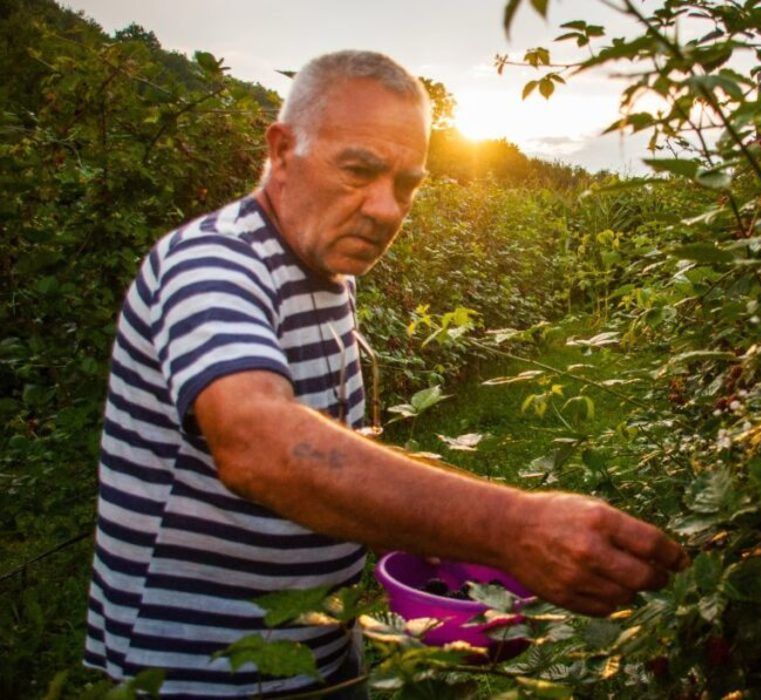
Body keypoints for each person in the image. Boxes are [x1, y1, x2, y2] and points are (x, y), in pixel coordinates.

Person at [84, 50, 688, 698]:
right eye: (359, 171)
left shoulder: (327, 273)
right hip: (189, 676)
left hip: (314, 659)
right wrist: (513, 528)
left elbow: (325, 446)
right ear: (282, 151)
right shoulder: (212, 263)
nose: (386, 209)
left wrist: (440, 529)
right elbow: (259, 444)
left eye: (407, 184)